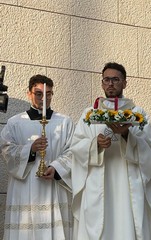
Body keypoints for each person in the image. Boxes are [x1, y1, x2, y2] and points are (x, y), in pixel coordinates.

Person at [71, 62, 151, 240]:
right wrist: (95, 144)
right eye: (106, 79)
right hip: (98, 185)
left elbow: (150, 151)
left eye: (115, 79)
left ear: (125, 83)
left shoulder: (137, 114)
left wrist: (126, 135)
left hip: (128, 187)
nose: (110, 84)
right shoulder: (90, 114)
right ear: (102, 83)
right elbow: (76, 147)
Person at [0, 74, 74, 240]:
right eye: (38, 93)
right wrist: (30, 150)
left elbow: (73, 151)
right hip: (24, 188)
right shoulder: (15, 122)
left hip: (53, 187)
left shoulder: (65, 122)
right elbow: (6, 150)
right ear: (29, 94)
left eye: (48, 94)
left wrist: (56, 167)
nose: (44, 98)